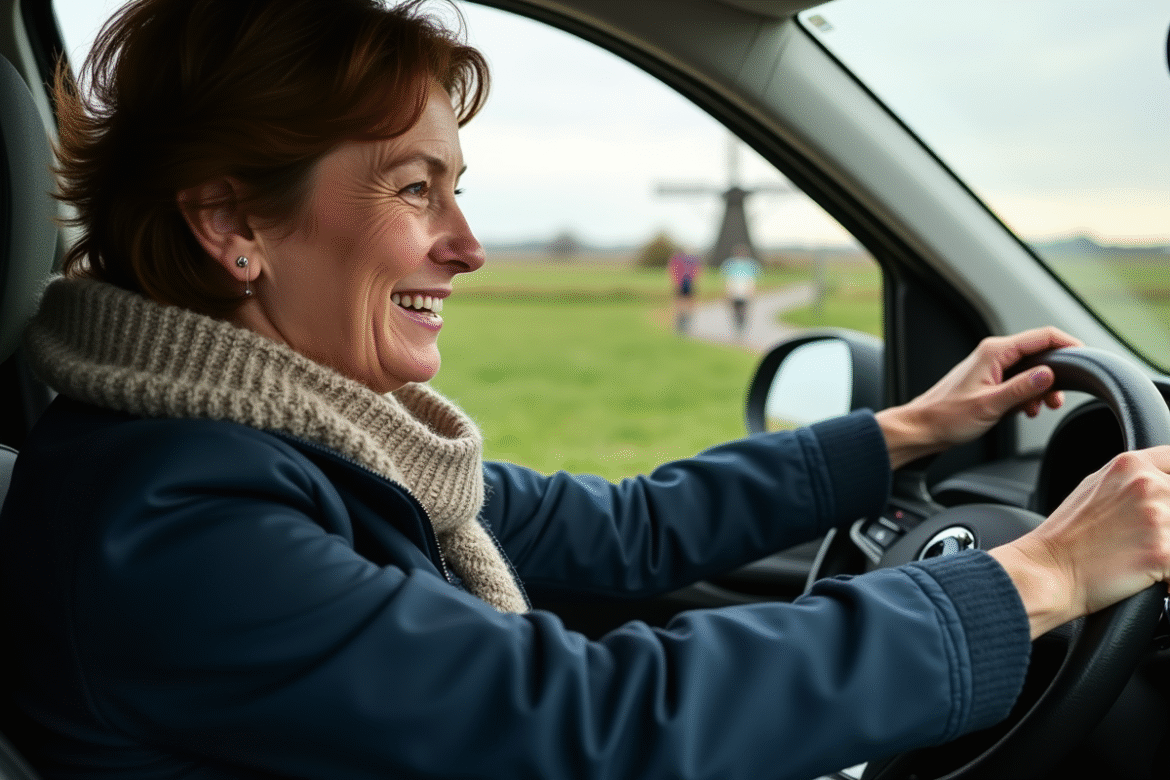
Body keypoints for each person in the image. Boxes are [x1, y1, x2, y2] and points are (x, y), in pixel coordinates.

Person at [1, 2, 1169, 779]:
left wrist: (910, 429)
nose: (468, 244)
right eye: (417, 189)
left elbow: (622, 529)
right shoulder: (181, 523)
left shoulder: (282, 442)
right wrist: (1046, 573)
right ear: (232, 226)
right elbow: (586, 720)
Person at [719, 244, 761, 338]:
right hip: (734, 289)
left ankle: (741, 323)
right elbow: (727, 279)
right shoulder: (730, 264)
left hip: (746, 290)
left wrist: (752, 292)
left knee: (744, 309)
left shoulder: (751, 264)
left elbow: (753, 280)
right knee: (734, 309)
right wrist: (726, 292)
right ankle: (737, 322)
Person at [668, 250, 700, 334]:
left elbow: (697, 271)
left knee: (686, 302)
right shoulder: (679, 258)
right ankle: (681, 320)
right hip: (681, 283)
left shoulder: (692, 259)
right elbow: (672, 270)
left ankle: (685, 320)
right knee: (681, 303)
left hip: (688, 283)